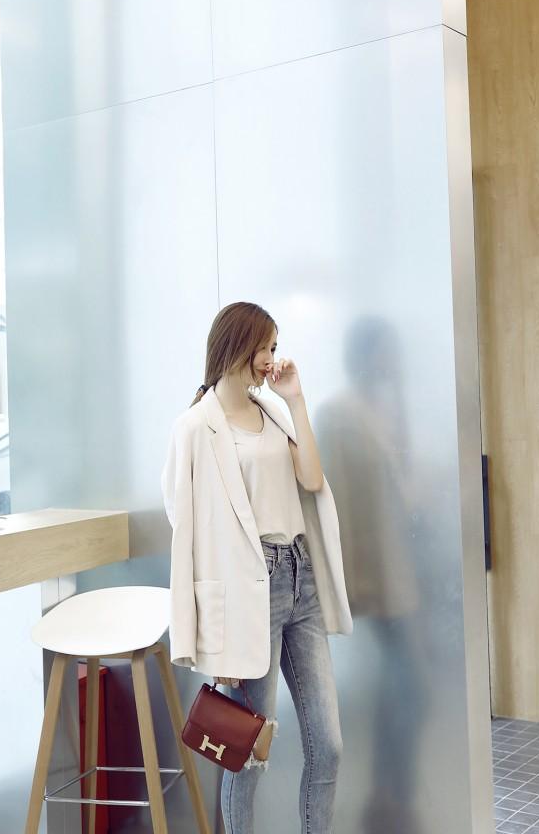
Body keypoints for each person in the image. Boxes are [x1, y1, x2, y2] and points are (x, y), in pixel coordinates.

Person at [160, 300, 352, 834]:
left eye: (273, 347)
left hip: (299, 578)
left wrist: (296, 399)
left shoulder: (271, 410)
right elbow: (187, 532)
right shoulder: (194, 428)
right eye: (265, 347)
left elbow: (311, 480)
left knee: (328, 746)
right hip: (249, 595)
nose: (272, 358)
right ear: (237, 346)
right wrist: (213, 641)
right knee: (246, 751)